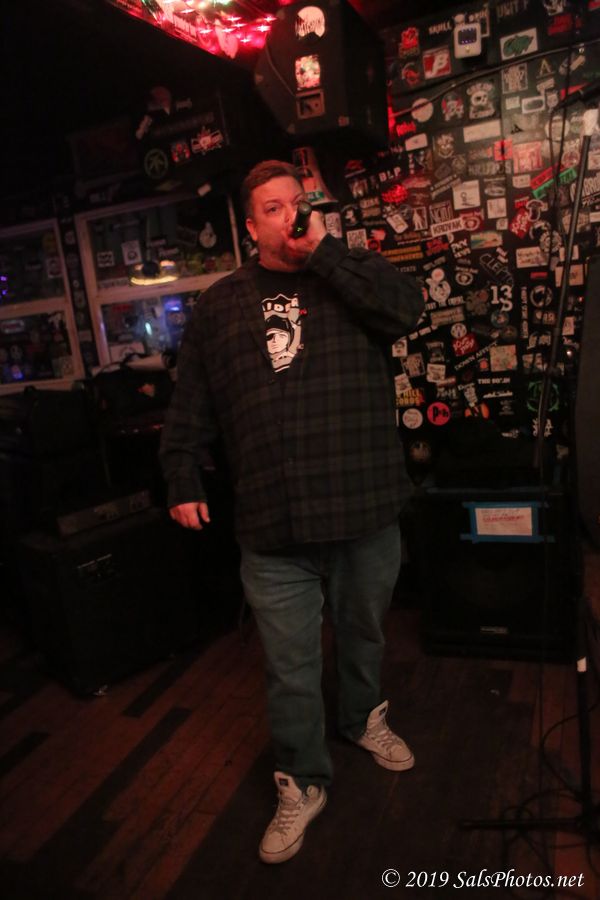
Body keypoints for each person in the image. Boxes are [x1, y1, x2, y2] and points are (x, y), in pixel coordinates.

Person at [159, 159, 425, 864]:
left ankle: (362, 720)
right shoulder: (221, 305)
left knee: (364, 634)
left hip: (364, 507)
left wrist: (327, 253)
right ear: (251, 228)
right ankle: (303, 780)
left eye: (297, 202)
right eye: (272, 209)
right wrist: (181, 474)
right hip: (273, 525)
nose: (290, 216)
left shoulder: (350, 273)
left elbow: (408, 309)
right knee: (289, 666)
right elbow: (192, 401)